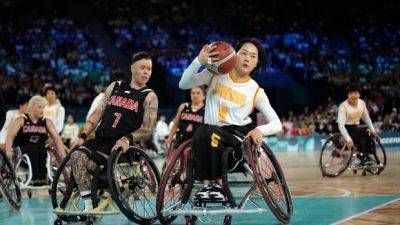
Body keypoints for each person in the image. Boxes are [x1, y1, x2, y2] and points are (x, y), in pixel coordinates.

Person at [179, 38, 282, 200]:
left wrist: (260, 129)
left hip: (235, 141)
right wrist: (198, 61)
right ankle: (209, 185)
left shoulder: (256, 91)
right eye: (244, 53)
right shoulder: (215, 74)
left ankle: (214, 185)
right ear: (234, 54)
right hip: (208, 136)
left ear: (256, 63)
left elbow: (277, 124)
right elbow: (183, 84)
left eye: (253, 56)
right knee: (205, 131)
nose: (247, 58)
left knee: (207, 130)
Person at [69, 52, 158, 211]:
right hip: (101, 139)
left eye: (149, 69)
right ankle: (89, 205)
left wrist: (127, 138)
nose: (146, 72)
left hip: (123, 146)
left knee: (90, 163)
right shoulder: (115, 86)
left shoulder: (149, 96)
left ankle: (117, 187)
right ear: (132, 68)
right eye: (142, 68)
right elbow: (98, 112)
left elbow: (147, 129)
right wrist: (82, 135)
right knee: (76, 156)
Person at [4, 96, 66, 185]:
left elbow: (57, 138)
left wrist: (63, 155)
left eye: (43, 107)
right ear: (31, 108)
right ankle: (35, 177)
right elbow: (10, 136)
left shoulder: (46, 121)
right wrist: (8, 150)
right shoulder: (21, 120)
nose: (42, 110)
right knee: (33, 148)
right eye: (39, 107)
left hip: (41, 153)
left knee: (41, 148)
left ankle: (43, 177)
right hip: (22, 153)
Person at [337, 84, 380, 165]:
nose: (353, 95)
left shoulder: (362, 103)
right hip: (345, 128)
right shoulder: (343, 106)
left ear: (359, 95)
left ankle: (366, 156)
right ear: (348, 95)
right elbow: (341, 126)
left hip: (355, 127)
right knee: (357, 136)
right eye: (351, 93)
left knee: (368, 133)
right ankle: (360, 156)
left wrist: (374, 132)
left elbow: (367, 119)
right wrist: (348, 140)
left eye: (356, 93)